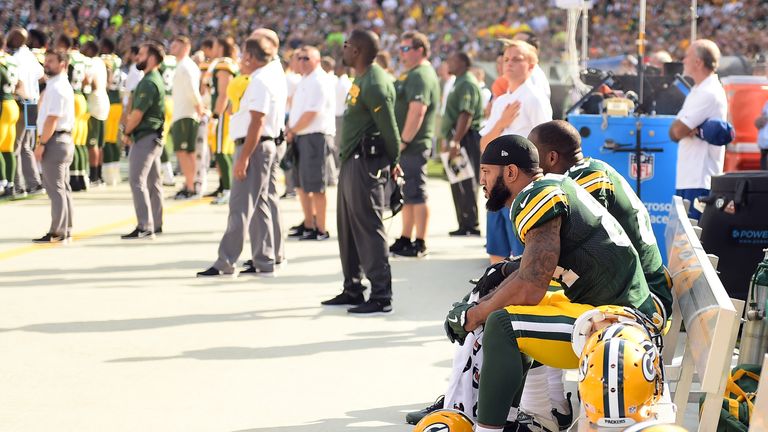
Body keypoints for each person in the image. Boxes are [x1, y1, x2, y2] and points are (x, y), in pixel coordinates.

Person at [445, 134, 657, 432]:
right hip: (618, 308)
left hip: (619, 323)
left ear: (510, 172)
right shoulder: (552, 186)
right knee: (503, 310)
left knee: (503, 325)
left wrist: (474, 315)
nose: (482, 182)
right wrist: (481, 303)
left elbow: (531, 286)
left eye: (486, 172)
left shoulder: (536, 196)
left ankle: (490, 429)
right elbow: (531, 273)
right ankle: (519, 418)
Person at [531, 120, 673, 321]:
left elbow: (583, 251)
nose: (532, 165)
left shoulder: (585, 180)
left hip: (642, 301)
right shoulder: (590, 169)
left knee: (521, 304)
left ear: (552, 157)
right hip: (633, 289)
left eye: (534, 157)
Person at [320, 29, 401, 314]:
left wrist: (395, 160)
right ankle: (352, 287)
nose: (342, 49)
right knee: (348, 228)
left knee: (368, 227)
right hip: (352, 161)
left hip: (367, 163)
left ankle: (381, 295)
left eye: (345, 45)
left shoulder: (376, 81)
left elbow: (390, 128)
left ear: (356, 50)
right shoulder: (362, 78)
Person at [197, 35, 285, 278]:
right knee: (260, 204)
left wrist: (244, 157)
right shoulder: (267, 76)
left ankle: (226, 260)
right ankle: (264, 258)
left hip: (253, 146)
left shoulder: (259, 81)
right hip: (261, 145)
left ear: (249, 56)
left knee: (240, 206)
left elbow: (257, 122)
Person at [480, 39, 552, 264]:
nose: (509, 63)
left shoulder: (535, 98)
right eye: (506, 58)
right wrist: (501, 122)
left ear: (531, 66)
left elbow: (546, 147)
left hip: (521, 187)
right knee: (496, 250)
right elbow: (484, 144)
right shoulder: (501, 102)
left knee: (522, 253)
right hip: (496, 185)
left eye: (517, 59)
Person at [389, 30, 440, 258]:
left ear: (420, 50)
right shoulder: (413, 73)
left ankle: (420, 241)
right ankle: (406, 237)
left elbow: (417, 110)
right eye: (400, 48)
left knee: (416, 193)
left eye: (406, 48)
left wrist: (404, 140)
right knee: (408, 193)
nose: (401, 52)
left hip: (413, 143)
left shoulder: (421, 74)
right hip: (407, 144)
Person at [669, 39, 728, 219]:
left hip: (700, 179)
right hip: (690, 177)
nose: (683, 60)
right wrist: (685, 129)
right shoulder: (698, 89)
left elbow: (677, 131)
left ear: (698, 62)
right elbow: (675, 131)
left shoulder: (708, 92)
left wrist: (686, 129)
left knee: (692, 241)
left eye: (687, 56)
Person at [285, 46, 335, 241]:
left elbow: (312, 112)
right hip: (302, 135)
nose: (302, 61)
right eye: (299, 58)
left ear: (317, 60)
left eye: (306, 58)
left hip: (315, 136)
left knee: (315, 185)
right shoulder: (305, 80)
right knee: (302, 184)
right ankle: (308, 223)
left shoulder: (319, 80)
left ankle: (321, 228)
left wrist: (293, 129)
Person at [120, 42, 166, 239]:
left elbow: (138, 113)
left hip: (146, 135)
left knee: (137, 180)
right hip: (154, 135)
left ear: (153, 58)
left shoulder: (148, 81)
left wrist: (126, 131)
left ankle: (144, 225)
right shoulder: (152, 78)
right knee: (153, 181)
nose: (137, 57)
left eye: (142, 54)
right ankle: (155, 222)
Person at [33, 49, 75, 242]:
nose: (46, 64)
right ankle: (66, 227)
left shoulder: (58, 87)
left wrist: (41, 143)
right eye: (46, 61)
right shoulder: (57, 85)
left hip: (55, 140)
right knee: (62, 188)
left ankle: (57, 230)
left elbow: (52, 118)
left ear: (63, 64)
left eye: (51, 61)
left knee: (55, 188)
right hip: (61, 139)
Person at [442, 52, 484, 237]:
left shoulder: (466, 82)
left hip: (465, 137)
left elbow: (465, 114)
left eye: (451, 60)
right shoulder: (458, 81)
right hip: (458, 137)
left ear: (462, 63)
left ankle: (471, 224)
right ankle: (463, 223)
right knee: (458, 180)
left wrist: (455, 141)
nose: (447, 63)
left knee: (466, 182)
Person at [8, 28, 44, 197]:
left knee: (15, 145)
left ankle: (17, 184)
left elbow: (18, 82)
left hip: (21, 103)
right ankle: (34, 183)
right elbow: (41, 75)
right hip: (33, 103)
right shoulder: (30, 56)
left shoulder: (16, 59)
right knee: (27, 146)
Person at [169, 36, 204, 199]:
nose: (172, 47)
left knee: (184, 151)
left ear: (185, 47)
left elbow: (192, 91)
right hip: (183, 112)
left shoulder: (186, 66)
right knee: (186, 152)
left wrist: (199, 108)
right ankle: (189, 183)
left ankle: (191, 186)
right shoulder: (182, 65)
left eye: (176, 45)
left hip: (186, 113)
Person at [207, 37, 239, 204]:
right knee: (221, 151)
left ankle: (228, 189)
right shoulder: (226, 63)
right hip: (227, 114)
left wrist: (216, 116)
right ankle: (224, 187)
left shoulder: (224, 64)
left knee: (221, 151)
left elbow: (224, 93)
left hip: (224, 114)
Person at [81, 41, 109, 186]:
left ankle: (93, 176)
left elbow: (92, 83)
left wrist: (81, 85)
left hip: (94, 103)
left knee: (92, 143)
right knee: (99, 143)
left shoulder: (91, 63)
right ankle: (99, 175)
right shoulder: (101, 62)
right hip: (104, 101)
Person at [0, 33, 25, 198]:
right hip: (13, 104)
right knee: (8, 148)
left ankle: (2, 183)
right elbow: (20, 84)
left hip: (2, 104)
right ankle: (10, 184)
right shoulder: (12, 60)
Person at [99, 37, 125, 186]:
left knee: (107, 140)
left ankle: (108, 174)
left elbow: (109, 75)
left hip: (109, 101)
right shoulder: (118, 60)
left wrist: (106, 84)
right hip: (118, 103)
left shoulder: (106, 60)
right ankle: (115, 173)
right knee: (114, 139)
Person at [756, 98, 768, 170]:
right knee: (764, 175)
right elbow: (759, 122)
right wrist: (759, 121)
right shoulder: (767, 103)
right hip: (764, 145)